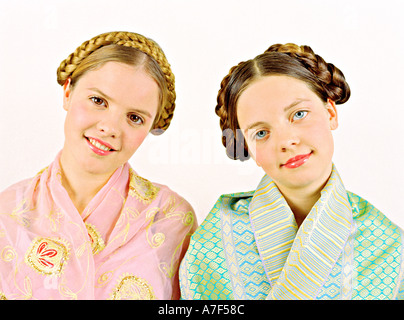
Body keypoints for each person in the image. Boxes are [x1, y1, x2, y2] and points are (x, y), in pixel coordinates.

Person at [179, 43, 404, 300]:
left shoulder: (389, 245)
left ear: (330, 112)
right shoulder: (211, 245)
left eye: (299, 114)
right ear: (247, 147)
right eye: (261, 133)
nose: (286, 141)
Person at [0, 31, 197, 300]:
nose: (110, 128)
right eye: (98, 101)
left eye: (135, 118)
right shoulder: (7, 212)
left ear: (151, 126)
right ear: (68, 91)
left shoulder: (170, 219)